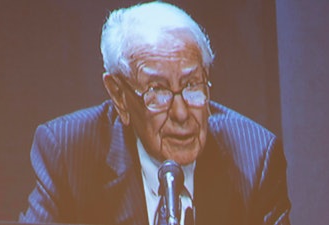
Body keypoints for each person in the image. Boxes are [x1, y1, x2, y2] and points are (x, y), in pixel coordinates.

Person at [19, 1, 291, 225]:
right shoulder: (69, 153)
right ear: (119, 96)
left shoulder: (254, 158)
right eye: (157, 90)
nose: (182, 113)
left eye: (192, 85)